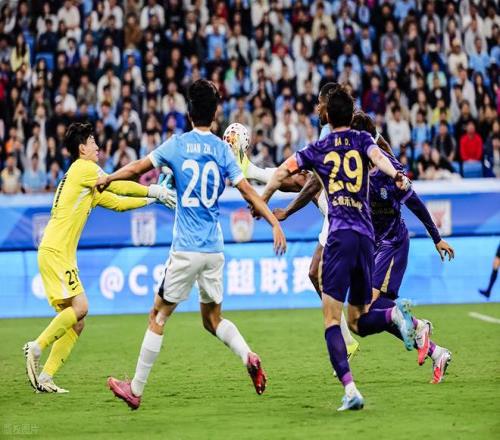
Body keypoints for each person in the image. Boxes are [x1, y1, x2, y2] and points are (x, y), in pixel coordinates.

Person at [97, 79, 287, 410]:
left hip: (186, 248)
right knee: (212, 319)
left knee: (158, 314)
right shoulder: (222, 150)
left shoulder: (177, 145)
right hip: (214, 249)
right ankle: (248, 355)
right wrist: (273, 222)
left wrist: (108, 178)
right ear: (215, 114)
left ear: (188, 112)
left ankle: (135, 389)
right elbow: (248, 191)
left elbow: (138, 168)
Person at [261, 86, 414, 411]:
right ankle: (392, 314)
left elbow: (283, 172)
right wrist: (398, 175)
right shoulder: (363, 141)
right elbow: (381, 159)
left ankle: (350, 390)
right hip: (366, 238)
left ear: (329, 116)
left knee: (332, 319)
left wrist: (263, 199)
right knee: (357, 320)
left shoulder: (319, 147)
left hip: (340, 235)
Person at [23, 122, 176, 393]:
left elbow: (117, 203)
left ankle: (45, 378)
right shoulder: (84, 169)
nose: (98, 147)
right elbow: (119, 186)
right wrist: (154, 189)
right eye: (93, 142)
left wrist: (152, 200)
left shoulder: (85, 181)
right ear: (82, 148)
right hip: (56, 252)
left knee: (77, 321)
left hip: (56, 252)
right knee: (81, 307)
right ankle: (36, 347)